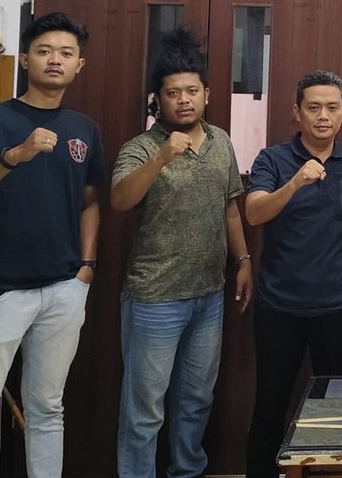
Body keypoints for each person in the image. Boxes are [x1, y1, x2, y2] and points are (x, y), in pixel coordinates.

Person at [0, 13, 106, 478]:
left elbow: (91, 200)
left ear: (79, 65)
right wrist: (14, 155)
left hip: (64, 288)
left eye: (66, 53)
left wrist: (87, 266)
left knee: (48, 409)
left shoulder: (85, 128)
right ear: (26, 58)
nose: (55, 59)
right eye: (45, 50)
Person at [110, 28, 251, 478]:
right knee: (144, 408)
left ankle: (187, 471)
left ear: (207, 94)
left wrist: (244, 261)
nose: (184, 100)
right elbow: (120, 200)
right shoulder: (141, 147)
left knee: (196, 399)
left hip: (209, 296)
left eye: (192, 91)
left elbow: (231, 209)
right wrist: (161, 159)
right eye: (173, 93)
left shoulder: (221, 141)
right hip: (155, 298)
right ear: (158, 100)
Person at [243, 70, 342, 478]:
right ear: (297, 112)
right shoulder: (272, 159)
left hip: (338, 304)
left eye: (332, 108)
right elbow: (254, 213)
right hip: (279, 305)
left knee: (335, 409)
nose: (323, 116)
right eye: (314, 107)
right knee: (271, 405)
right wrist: (295, 183)